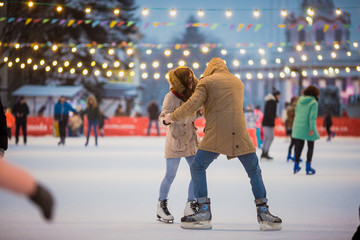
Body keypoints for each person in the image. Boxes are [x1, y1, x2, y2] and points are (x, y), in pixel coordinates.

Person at [164, 58, 282, 230]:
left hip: (217, 134)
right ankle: (263, 211)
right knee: (254, 170)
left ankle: (203, 210)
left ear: (210, 69)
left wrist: (171, 117)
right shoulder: (237, 82)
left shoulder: (206, 82)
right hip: (240, 134)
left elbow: (191, 105)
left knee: (198, 166)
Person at [156, 67, 201, 224]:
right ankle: (161, 206)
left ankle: (190, 204)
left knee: (197, 172)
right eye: (187, 78)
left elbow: (194, 113)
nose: (190, 81)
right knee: (170, 175)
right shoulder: (171, 97)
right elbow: (162, 116)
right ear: (181, 80)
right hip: (175, 140)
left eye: (191, 77)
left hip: (190, 139)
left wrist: (202, 112)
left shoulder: (193, 95)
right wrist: (166, 119)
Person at [0, 98, 54, 222]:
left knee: (22, 131)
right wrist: (35, 191)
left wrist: (35, 190)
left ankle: (22, 140)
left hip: (20, 121)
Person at [292, 85, 320, 175]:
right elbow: (312, 117)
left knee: (299, 147)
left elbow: (296, 113)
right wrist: (312, 128)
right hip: (307, 126)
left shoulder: (299, 100)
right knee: (310, 146)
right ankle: (308, 167)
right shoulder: (313, 102)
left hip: (298, 125)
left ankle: (296, 166)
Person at [261, 88, 281, 160]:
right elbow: (270, 113)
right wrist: (272, 122)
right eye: (279, 95)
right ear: (276, 95)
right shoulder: (272, 102)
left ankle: (264, 152)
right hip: (268, 123)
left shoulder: (270, 101)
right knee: (270, 137)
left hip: (266, 122)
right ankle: (265, 152)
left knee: (267, 138)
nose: (279, 97)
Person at [286, 97, 299, 161]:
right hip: (294, 127)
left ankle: (289, 155)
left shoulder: (290, 108)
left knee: (293, 142)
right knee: (295, 142)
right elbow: (292, 118)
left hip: (291, 126)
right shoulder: (294, 108)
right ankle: (295, 156)